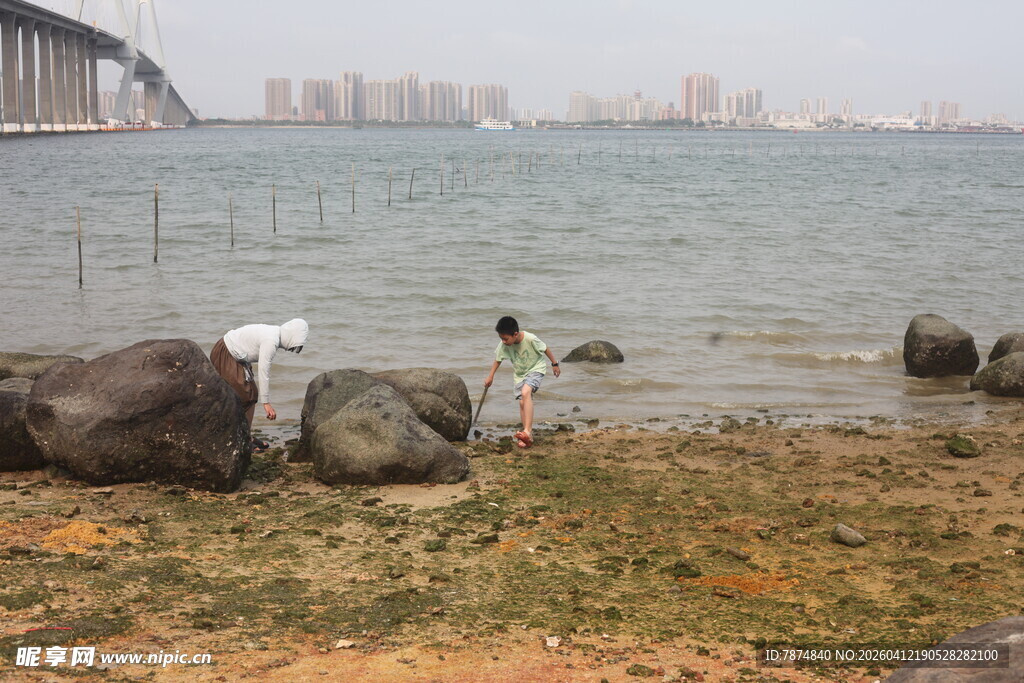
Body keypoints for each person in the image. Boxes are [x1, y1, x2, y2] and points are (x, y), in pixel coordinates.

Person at [210, 318, 309, 450]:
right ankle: (241, 441)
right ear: (291, 335)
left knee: (251, 394)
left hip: (236, 356)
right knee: (246, 396)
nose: (291, 349)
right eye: (295, 344)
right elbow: (264, 371)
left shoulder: (274, 333)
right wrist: (266, 403)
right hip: (225, 353)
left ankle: (246, 436)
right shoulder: (271, 341)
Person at [484, 316, 560, 449]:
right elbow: (498, 359)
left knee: (526, 392)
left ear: (515, 334)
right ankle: (527, 436)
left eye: (505, 339)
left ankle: (527, 431)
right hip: (520, 375)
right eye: (501, 338)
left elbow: (545, 348)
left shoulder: (530, 338)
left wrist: (555, 364)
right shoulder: (504, 344)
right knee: (522, 402)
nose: (503, 341)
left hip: (536, 369)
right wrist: (490, 376)